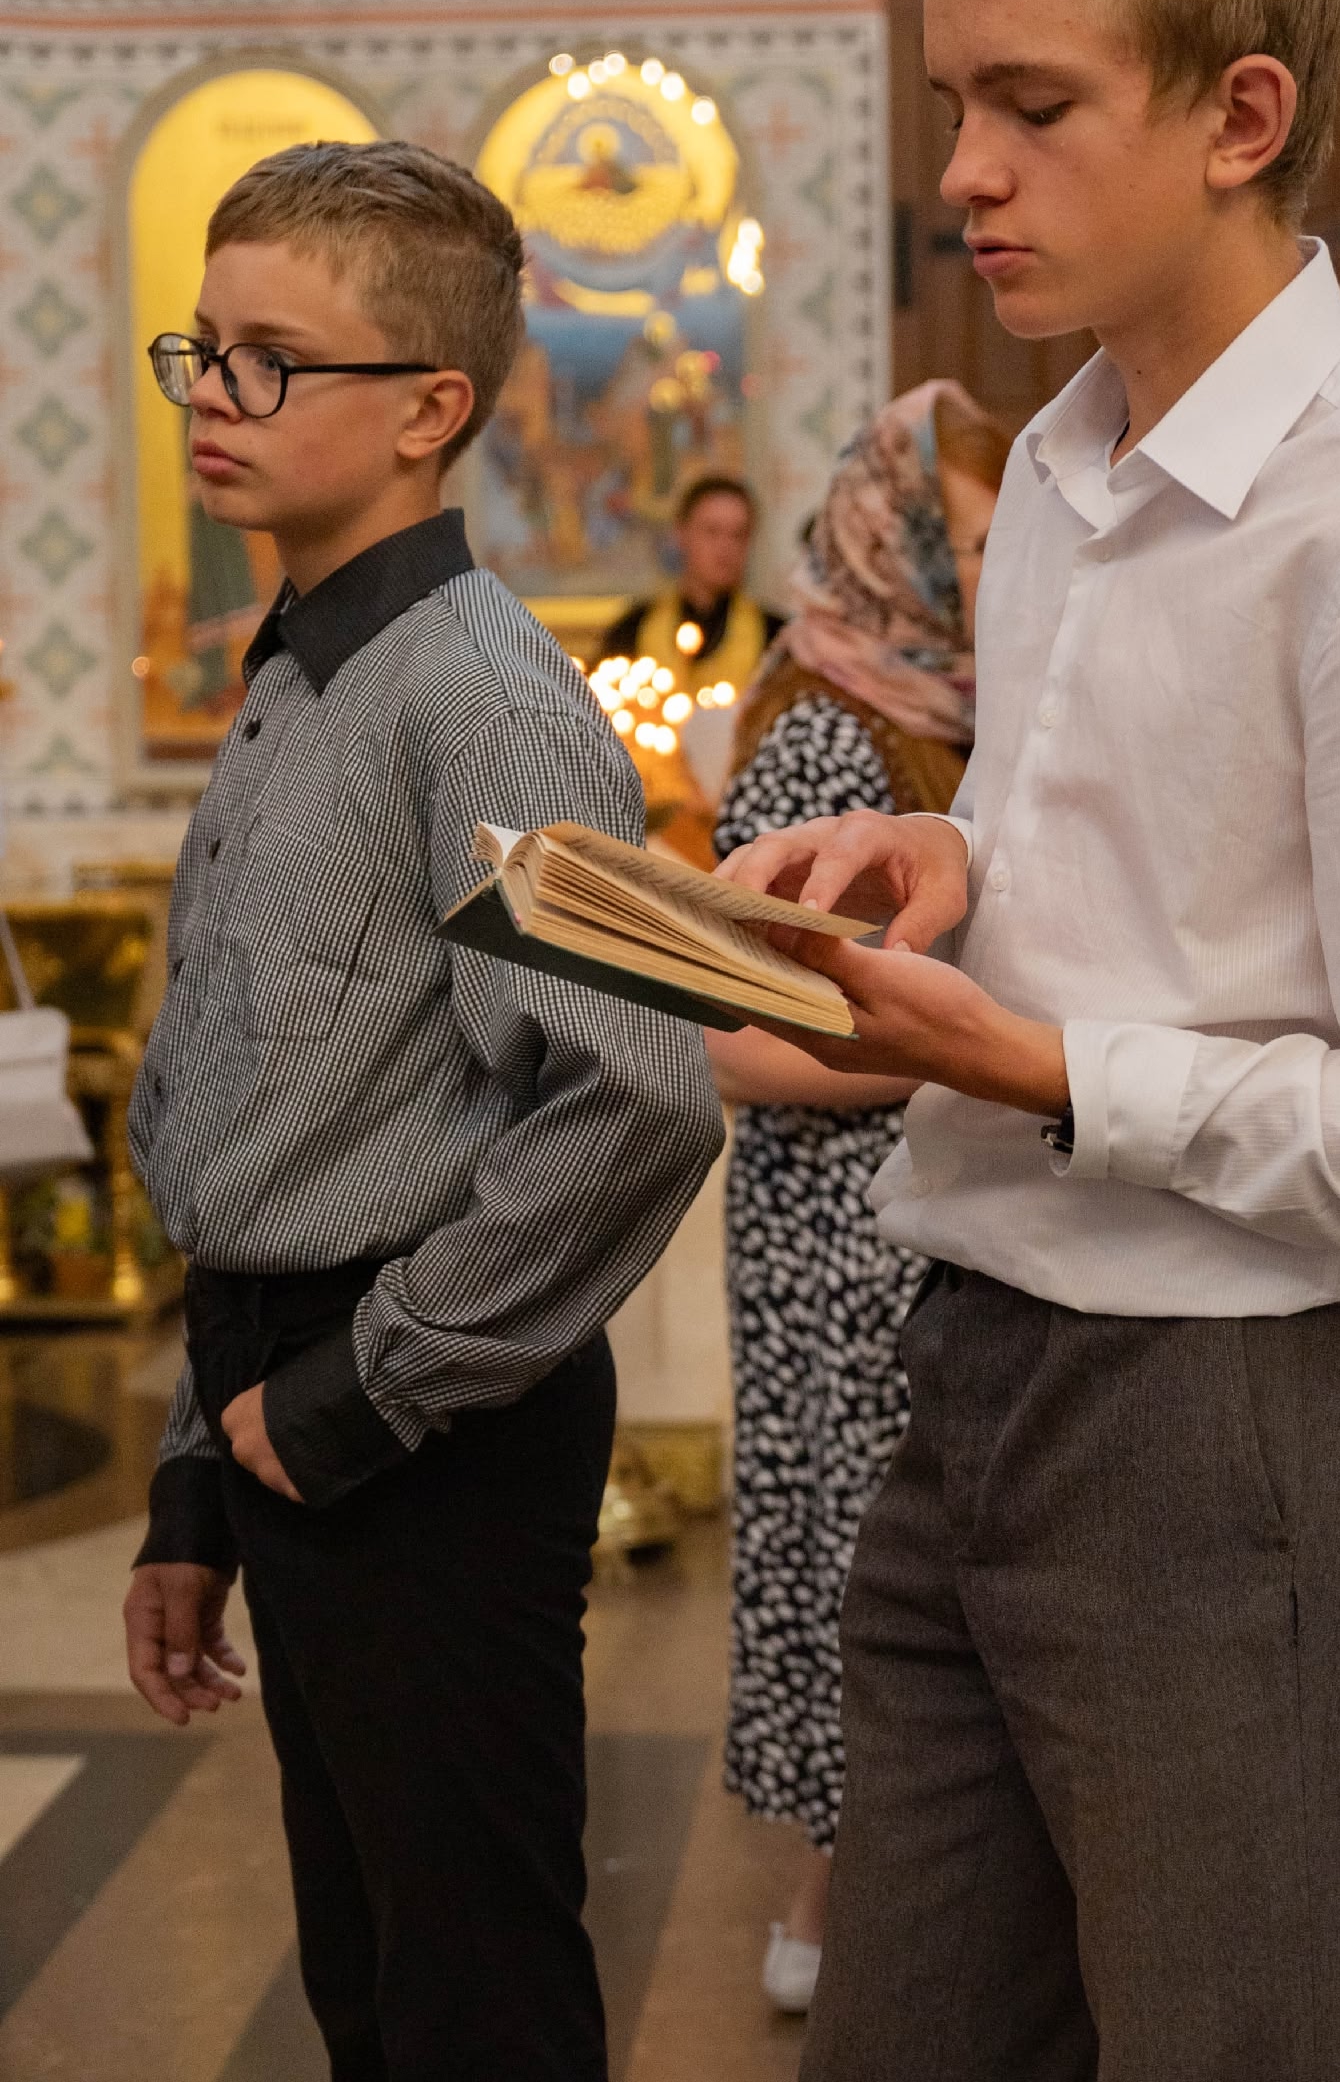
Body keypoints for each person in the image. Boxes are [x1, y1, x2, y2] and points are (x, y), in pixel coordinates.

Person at [717, 0, 1340, 2082]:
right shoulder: (1063, 465)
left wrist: (1032, 1062)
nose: (963, 172)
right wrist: (952, 864)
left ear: (1239, 116)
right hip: (976, 1353)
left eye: (1031, 106)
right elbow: (1147, 869)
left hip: (1230, 1405)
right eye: (952, 105)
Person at [121, 140, 723, 2082]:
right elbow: (257, 1109)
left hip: (424, 1413)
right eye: (202, 349)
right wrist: (194, 1481)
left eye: (271, 360)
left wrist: (356, 1396)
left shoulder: (487, 701)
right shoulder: (301, 669)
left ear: (429, 408)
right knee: (370, 1977)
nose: (214, 395)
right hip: (281, 1376)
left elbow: (635, 1097)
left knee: (474, 1992)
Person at [708, 379, 1006, 2015]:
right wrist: (980, 1058)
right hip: (835, 1232)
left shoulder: (955, 708)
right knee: (852, 1557)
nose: (987, 569)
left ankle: (887, 1901)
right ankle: (841, 1907)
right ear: (892, 542)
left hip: (913, 1212)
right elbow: (733, 1037)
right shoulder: (825, 724)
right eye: (965, 542)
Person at [600, 473, 783, 698]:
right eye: (712, 531)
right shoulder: (631, 631)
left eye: (738, 535)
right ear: (681, 533)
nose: (725, 548)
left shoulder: (776, 638)